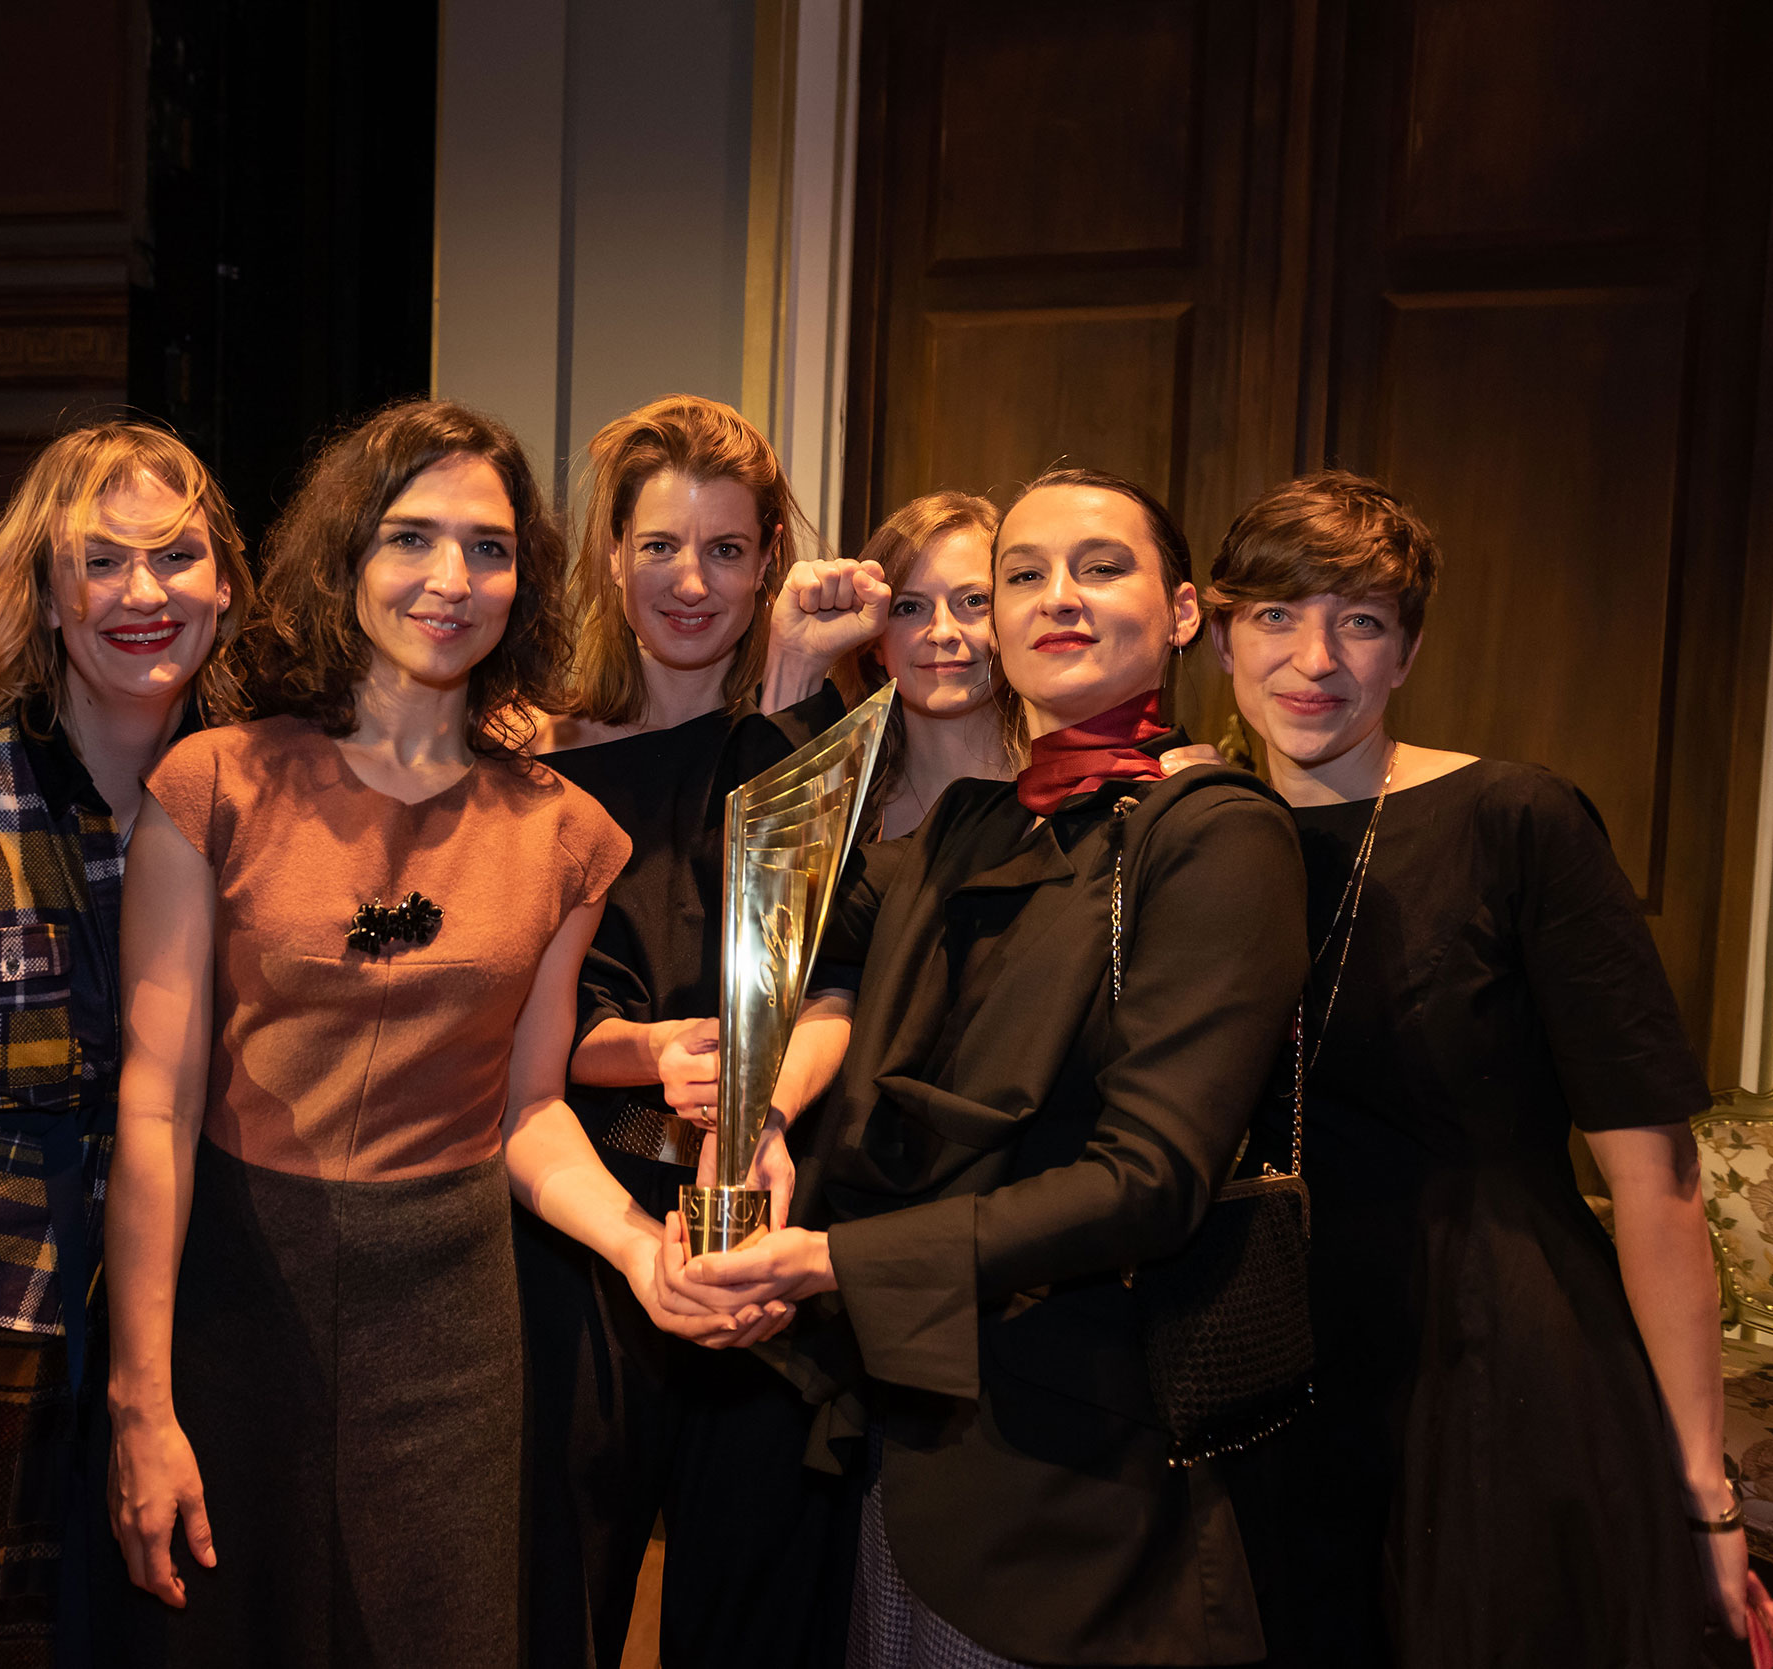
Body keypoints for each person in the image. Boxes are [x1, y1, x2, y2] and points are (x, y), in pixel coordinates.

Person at [103, 399, 776, 1667]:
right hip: (239, 1301)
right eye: (411, 537)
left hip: (452, 1332)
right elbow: (155, 1108)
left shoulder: (565, 830)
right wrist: (140, 1399)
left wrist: (643, 1252)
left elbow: (530, 1113)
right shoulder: (215, 785)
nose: (451, 579)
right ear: (346, 553)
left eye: (489, 547)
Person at [670, 466, 1308, 1666]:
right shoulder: (973, 821)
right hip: (914, 1430)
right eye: (1023, 575)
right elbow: (780, 926)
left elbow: (1149, 1181)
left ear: (1181, 612)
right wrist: (754, 1118)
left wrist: (828, 1259)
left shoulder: (1214, 832)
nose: (1056, 596)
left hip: (1078, 1478)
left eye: (1099, 567)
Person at [1200, 470, 1750, 1665]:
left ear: (1405, 652)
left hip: (1495, 1361)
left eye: (1360, 621)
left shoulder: (1517, 818)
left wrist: (1703, 1491)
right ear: (1219, 634)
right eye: (1277, 614)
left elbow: (1655, 1179)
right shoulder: (1189, 832)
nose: (1314, 658)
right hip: (1268, 1367)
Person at [0, 422, 255, 1669]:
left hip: (208, 1321)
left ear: (225, 585)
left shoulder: (277, 790)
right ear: (43, 589)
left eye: (176, 555)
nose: (143, 592)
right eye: (101, 560)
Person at [520, 394, 863, 1669]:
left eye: (725, 549)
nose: (690, 581)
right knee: (557, 1595)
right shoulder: (532, 752)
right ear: (611, 554)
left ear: (768, 560)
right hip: (584, 1205)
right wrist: (653, 1054)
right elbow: (521, 1023)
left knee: (755, 1611)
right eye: (660, 545)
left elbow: (839, 983)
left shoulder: (811, 740)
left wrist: (758, 1102)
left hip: (765, 1202)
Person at [834, 491, 1015, 840]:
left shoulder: (1077, 797)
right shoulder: (838, 813)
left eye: (973, 601)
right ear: (874, 641)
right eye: (909, 608)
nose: (943, 632)